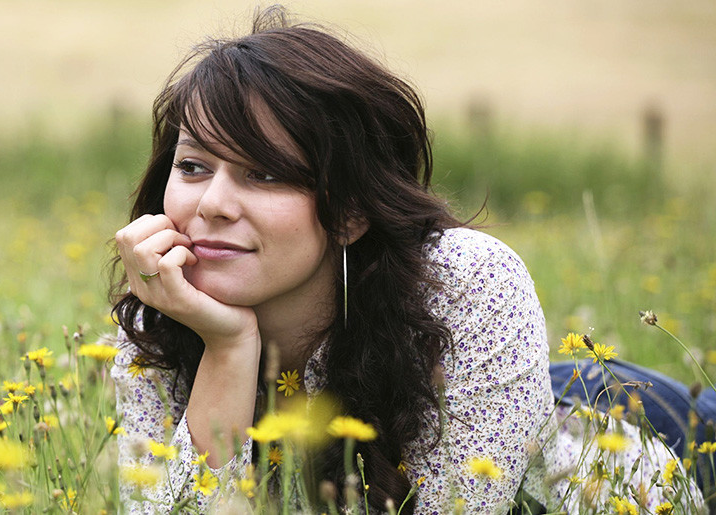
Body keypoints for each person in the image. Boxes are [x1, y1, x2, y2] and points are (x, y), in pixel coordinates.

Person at [109, 6, 706, 514]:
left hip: (633, 431)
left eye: (265, 173)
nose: (211, 204)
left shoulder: (469, 285)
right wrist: (228, 348)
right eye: (193, 166)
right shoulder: (160, 314)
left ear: (350, 211)